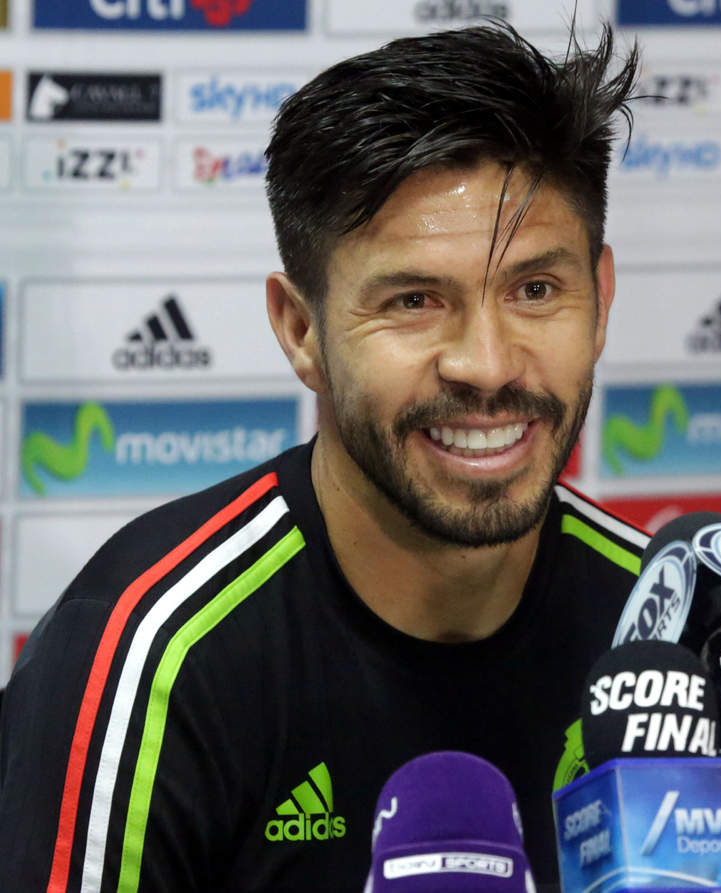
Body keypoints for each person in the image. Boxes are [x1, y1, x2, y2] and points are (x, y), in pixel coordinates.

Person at [0, 23, 646, 892]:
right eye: (414, 301)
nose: (488, 365)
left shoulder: (671, 626)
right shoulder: (145, 657)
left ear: (599, 300)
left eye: (535, 290)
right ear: (300, 330)